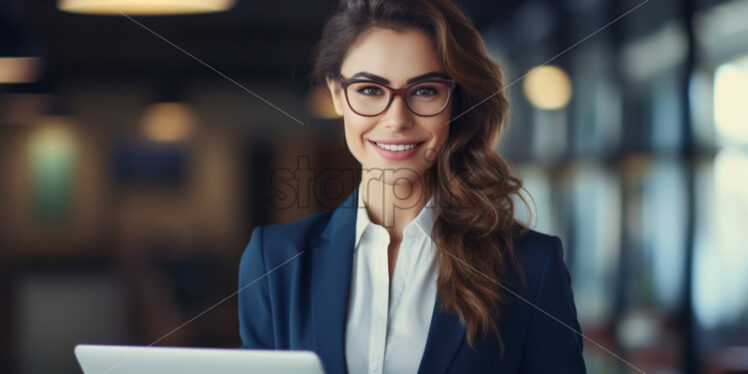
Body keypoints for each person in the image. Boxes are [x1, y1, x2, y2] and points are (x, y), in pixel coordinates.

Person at [237, 0, 586, 373]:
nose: (396, 119)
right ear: (338, 94)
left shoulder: (530, 267)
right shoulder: (273, 261)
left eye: (424, 91)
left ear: (456, 102)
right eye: (370, 90)